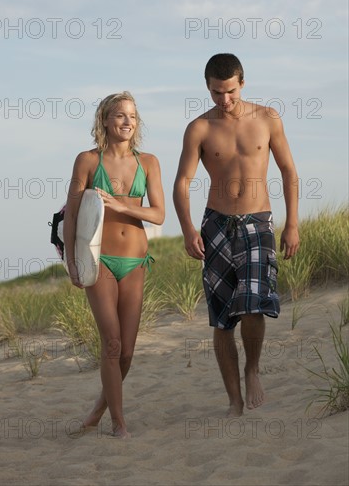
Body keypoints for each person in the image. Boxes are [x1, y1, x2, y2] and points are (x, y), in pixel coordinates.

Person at [173, 54, 299, 417]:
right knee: (222, 317)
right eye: (215, 92)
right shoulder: (199, 128)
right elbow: (182, 183)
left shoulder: (267, 118)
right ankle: (233, 399)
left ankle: (253, 368)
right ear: (207, 87)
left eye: (229, 91)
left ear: (242, 83)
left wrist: (292, 224)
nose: (223, 100)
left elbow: (289, 171)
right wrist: (187, 230)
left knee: (254, 304)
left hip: (258, 222)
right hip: (216, 225)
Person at [64, 91, 165, 438]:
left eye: (133, 117)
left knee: (128, 351)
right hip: (99, 260)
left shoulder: (148, 162)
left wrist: (121, 206)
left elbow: (158, 213)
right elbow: (73, 213)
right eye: (120, 115)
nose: (127, 121)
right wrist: (71, 262)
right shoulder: (87, 161)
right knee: (111, 343)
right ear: (105, 119)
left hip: (135, 260)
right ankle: (118, 422)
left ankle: (98, 408)